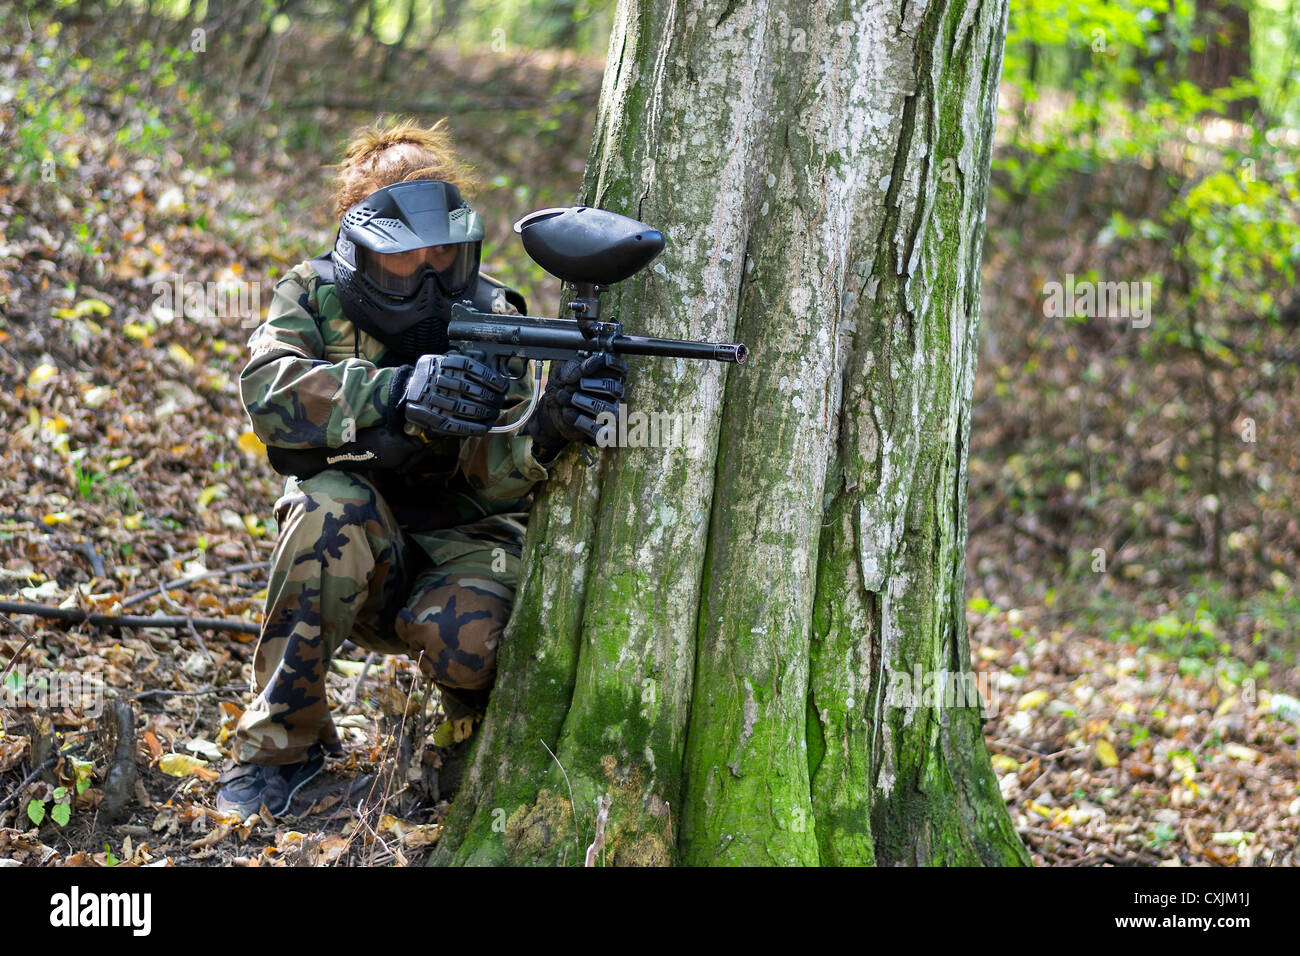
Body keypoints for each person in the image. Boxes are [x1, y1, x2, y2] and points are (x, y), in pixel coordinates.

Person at [215, 119, 626, 818]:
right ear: (363, 245)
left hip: (460, 549)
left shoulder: (493, 313)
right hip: (355, 555)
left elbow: (495, 478)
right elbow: (268, 395)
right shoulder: (313, 296)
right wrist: (395, 394)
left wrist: (549, 426)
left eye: (446, 251)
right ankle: (281, 750)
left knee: (467, 639)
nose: (432, 268)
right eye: (409, 255)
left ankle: (472, 734)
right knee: (324, 508)